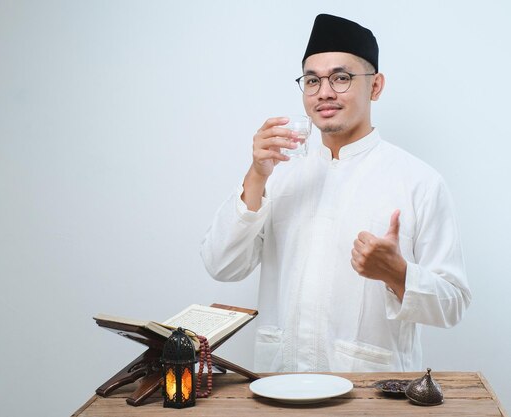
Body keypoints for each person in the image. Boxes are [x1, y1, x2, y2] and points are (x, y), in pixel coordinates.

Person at [200, 14, 471, 373]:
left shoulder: (418, 181)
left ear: (375, 86)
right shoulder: (280, 175)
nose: (324, 91)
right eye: (312, 80)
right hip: (281, 385)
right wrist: (256, 174)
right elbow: (222, 265)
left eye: (341, 78)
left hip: (371, 395)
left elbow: (453, 303)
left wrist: (397, 274)